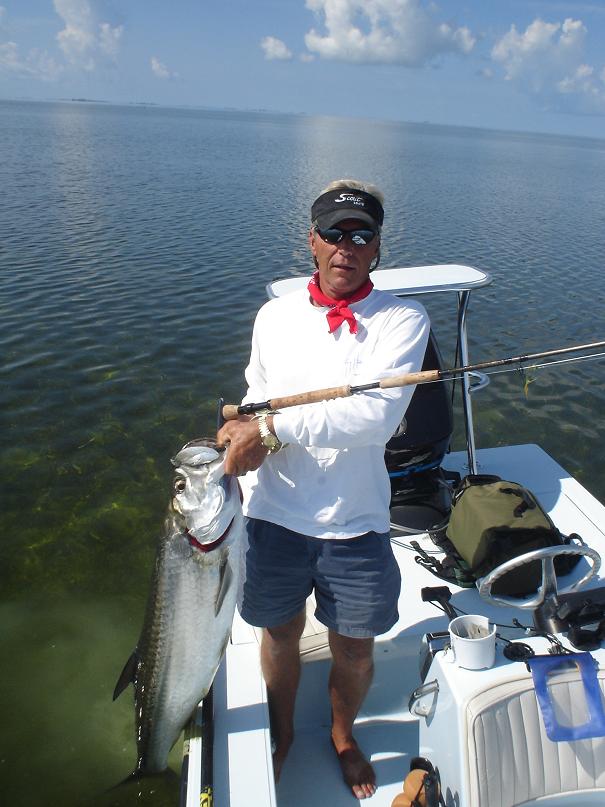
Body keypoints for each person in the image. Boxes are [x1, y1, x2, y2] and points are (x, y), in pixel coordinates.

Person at [217, 180, 430, 800]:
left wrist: (270, 430)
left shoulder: (403, 319)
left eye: (361, 235)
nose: (346, 246)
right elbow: (257, 392)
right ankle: (282, 732)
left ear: (377, 247)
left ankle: (342, 735)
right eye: (334, 233)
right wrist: (243, 427)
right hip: (274, 516)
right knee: (279, 635)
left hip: (355, 522)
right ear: (312, 241)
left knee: (355, 651)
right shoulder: (275, 315)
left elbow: (375, 418)